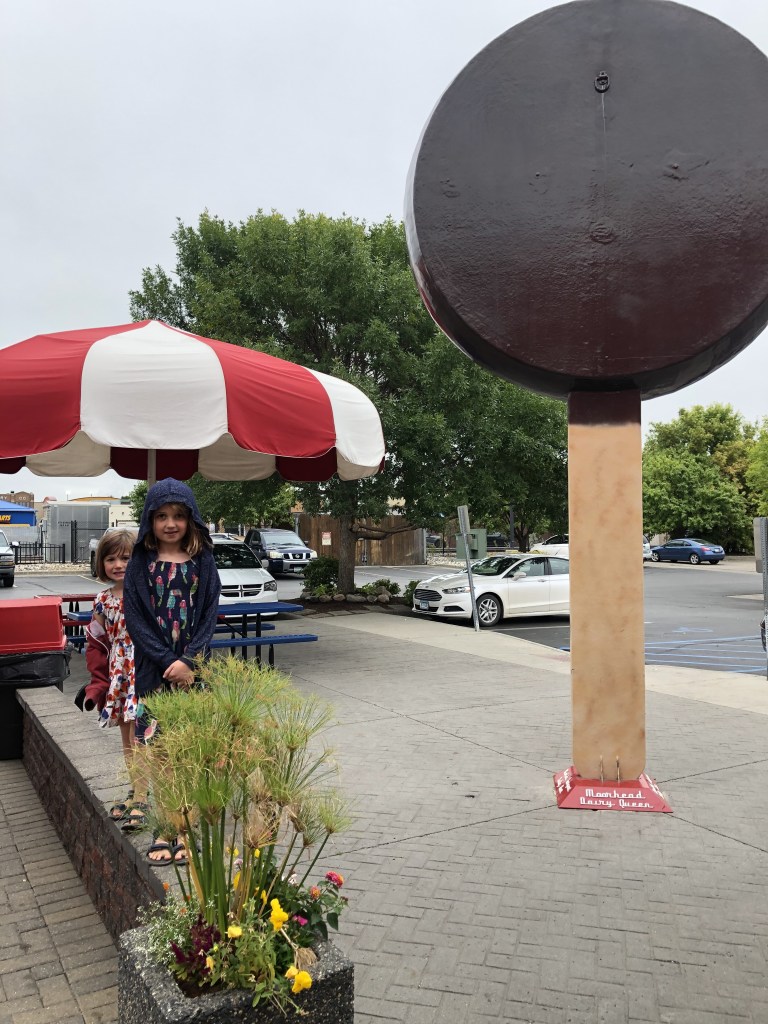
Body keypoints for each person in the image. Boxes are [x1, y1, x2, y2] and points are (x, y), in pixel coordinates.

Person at [123, 478, 221, 865]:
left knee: (191, 749)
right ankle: (165, 826)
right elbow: (135, 618)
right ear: (150, 519)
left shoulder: (203, 561)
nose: (170, 523)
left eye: (178, 515)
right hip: (154, 671)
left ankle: (187, 828)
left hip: (195, 671)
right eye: (162, 515)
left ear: (191, 519)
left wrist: (190, 660)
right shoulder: (140, 563)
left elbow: (210, 613)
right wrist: (167, 661)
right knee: (160, 750)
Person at [82, 529, 138, 824]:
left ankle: (144, 796)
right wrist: (98, 682)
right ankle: (136, 789)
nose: (118, 564)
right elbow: (96, 641)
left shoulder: (145, 592)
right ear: (101, 562)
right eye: (111, 558)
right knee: (127, 738)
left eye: (126, 558)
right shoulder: (102, 599)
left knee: (144, 736)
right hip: (119, 672)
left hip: (143, 669)